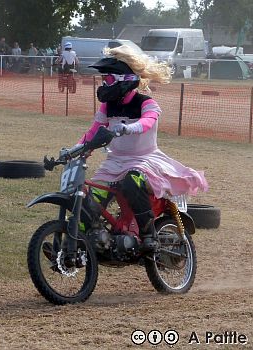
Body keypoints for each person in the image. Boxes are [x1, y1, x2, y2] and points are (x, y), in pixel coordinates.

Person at [76, 45, 208, 251]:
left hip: (144, 160)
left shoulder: (146, 102)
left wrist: (129, 128)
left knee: (131, 182)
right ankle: (78, 243)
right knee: (92, 198)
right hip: (114, 161)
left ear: (124, 79)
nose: (103, 85)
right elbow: (93, 132)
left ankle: (149, 234)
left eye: (108, 79)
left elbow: (148, 121)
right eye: (103, 80)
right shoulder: (107, 107)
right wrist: (75, 150)